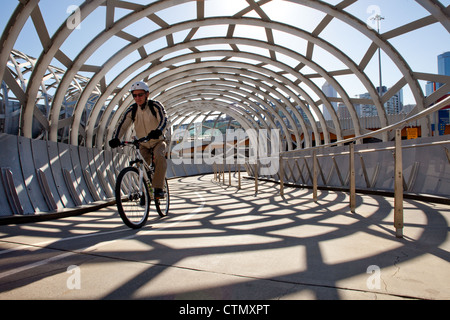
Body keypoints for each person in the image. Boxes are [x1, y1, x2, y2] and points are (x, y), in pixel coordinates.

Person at [109, 81, 168, 199]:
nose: (137, 98)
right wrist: (116, 138)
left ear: (147, 95)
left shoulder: (155, 106)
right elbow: (123, 125)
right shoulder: (132, 110)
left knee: (159, 156)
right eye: (134, 95)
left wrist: (159, 131)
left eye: (140, 95)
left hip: (158, 141)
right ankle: (145, 189)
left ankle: (158, 188)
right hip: (143, 143)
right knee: (139, 165)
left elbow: (164, 119)